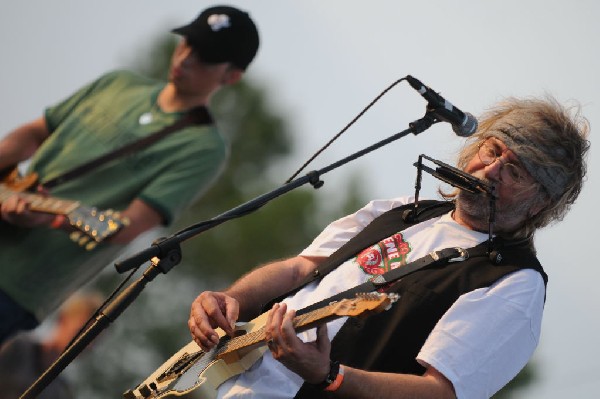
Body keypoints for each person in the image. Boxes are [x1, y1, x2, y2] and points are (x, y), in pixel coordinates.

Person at [187, 96, 589, 398]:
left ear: (541, 203)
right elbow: (300, 269)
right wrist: (230, 298)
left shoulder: (515, 283)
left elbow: (441, 392)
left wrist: (330, 375)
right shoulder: (403, 210)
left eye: (515, 170)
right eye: (493, 150)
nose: (491, 170)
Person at [0, 5, 260, 345]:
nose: (185, 58)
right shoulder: (118, 83)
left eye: (206, 57)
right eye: (187, 44)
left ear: (231, 76)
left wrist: (47, 217)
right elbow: (35, 133)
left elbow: (126, 226)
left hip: (19, 285)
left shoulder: (203, 148)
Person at [0, 291, 104, 399]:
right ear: (63, 319)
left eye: (94, 340)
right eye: (82, 332)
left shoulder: (62, 392)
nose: (88, 344)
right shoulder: (17, 348)